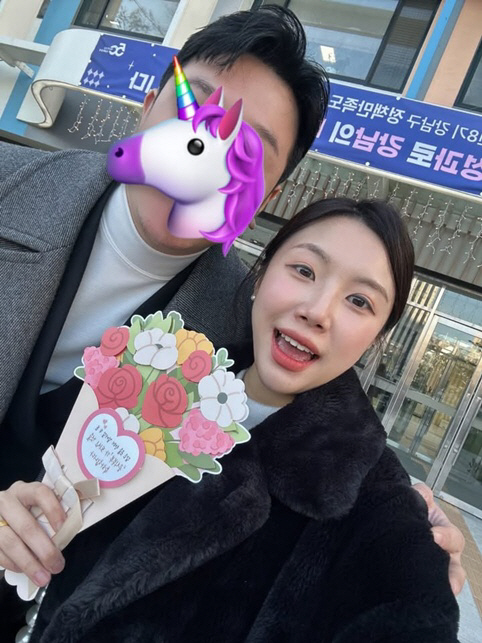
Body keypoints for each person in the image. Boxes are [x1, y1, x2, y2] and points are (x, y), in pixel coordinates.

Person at [0, 0, 465, 622]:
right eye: (195, 110)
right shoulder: (9, 185)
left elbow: (309, 437)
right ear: (147, 103)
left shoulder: (239, 334)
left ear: (268, 193)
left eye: (246, 148)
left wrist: (407, 527)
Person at [0, 198, 460, 642]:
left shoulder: (371, 500)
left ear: (375, 338)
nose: (317, 311)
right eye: (304, 271)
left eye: (359, 301)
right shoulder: (153, 372)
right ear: (262, 271)